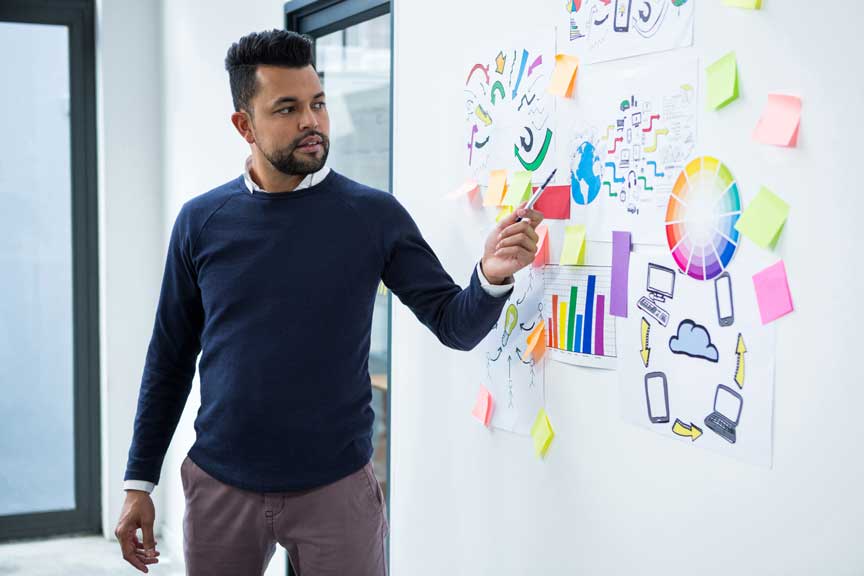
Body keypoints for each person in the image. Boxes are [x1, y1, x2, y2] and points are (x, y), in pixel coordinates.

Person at [114, 29, 543, 576]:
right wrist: (138, 482)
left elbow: (452, 323)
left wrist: (491, 275)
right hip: (221, 484)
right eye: (287, 108)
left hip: (337, 488)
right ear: (244, 125)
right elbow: (169, 358)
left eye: (317, 103)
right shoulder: (201, 222)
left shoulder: (373, 216)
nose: (311, 121)